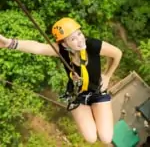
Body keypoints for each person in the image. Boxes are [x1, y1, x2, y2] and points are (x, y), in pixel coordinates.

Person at [0, 17, 122, 146]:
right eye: (73, 39)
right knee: (91, 138)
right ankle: (85, 110)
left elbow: (117, 54)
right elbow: (37, 47)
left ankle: (95, 109)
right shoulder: (62, 51)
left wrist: (108, 75)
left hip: (97, 92)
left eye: (79, 34)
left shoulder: (92, 45)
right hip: (78, 95)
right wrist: (9, 43)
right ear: (64, 44)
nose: (79, 40)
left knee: (106, 138)